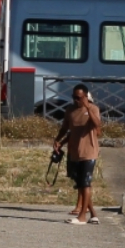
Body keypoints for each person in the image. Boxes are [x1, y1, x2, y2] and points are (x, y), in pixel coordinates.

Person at [52, 84, 103, 224]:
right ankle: (93, 214)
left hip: (89, 151)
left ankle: (82, 216)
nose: (76, 100)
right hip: (74, 151)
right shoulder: (70, 110)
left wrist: (87, 107)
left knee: (85, 183)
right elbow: (66, 129)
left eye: (79, 97)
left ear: (86, 97)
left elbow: (97, 125)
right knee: (80, 184)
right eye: (74, 97)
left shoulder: (93, 108)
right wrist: (58, 141)